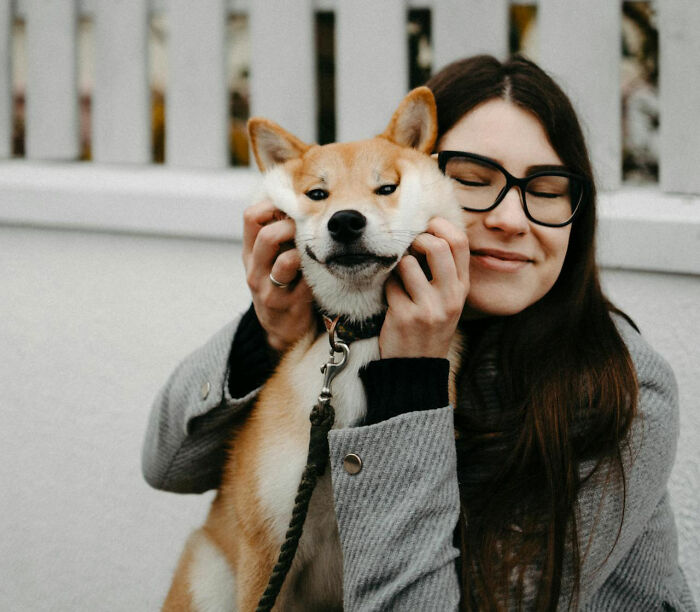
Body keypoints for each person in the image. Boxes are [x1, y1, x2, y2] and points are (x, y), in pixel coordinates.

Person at [142, 55, 696, 611]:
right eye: (474, 181)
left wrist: (409, 383)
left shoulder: (623, 389)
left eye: (547, 189)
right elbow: (169, 465)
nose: (510, 219)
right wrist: (266, 335)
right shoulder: (348, 310)